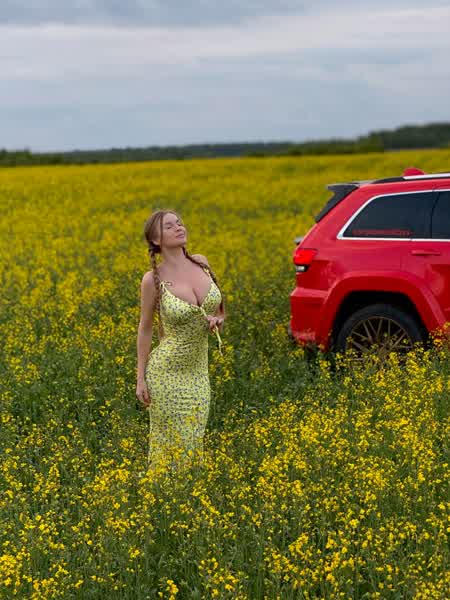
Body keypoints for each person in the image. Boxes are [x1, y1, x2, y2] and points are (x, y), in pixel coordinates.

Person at [136, 209, 226, 473]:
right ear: (156, 240)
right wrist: (140, 378)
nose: (179, 227)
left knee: (193, 440)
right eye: (169, 226)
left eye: (179, 223)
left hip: (198, 372)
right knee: (170, 446)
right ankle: (163, 492)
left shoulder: (201, 263)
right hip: (166, 373)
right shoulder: (152, 280)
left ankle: (188, 491)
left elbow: (219, 310)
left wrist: (217, 320)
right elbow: (145, 329)